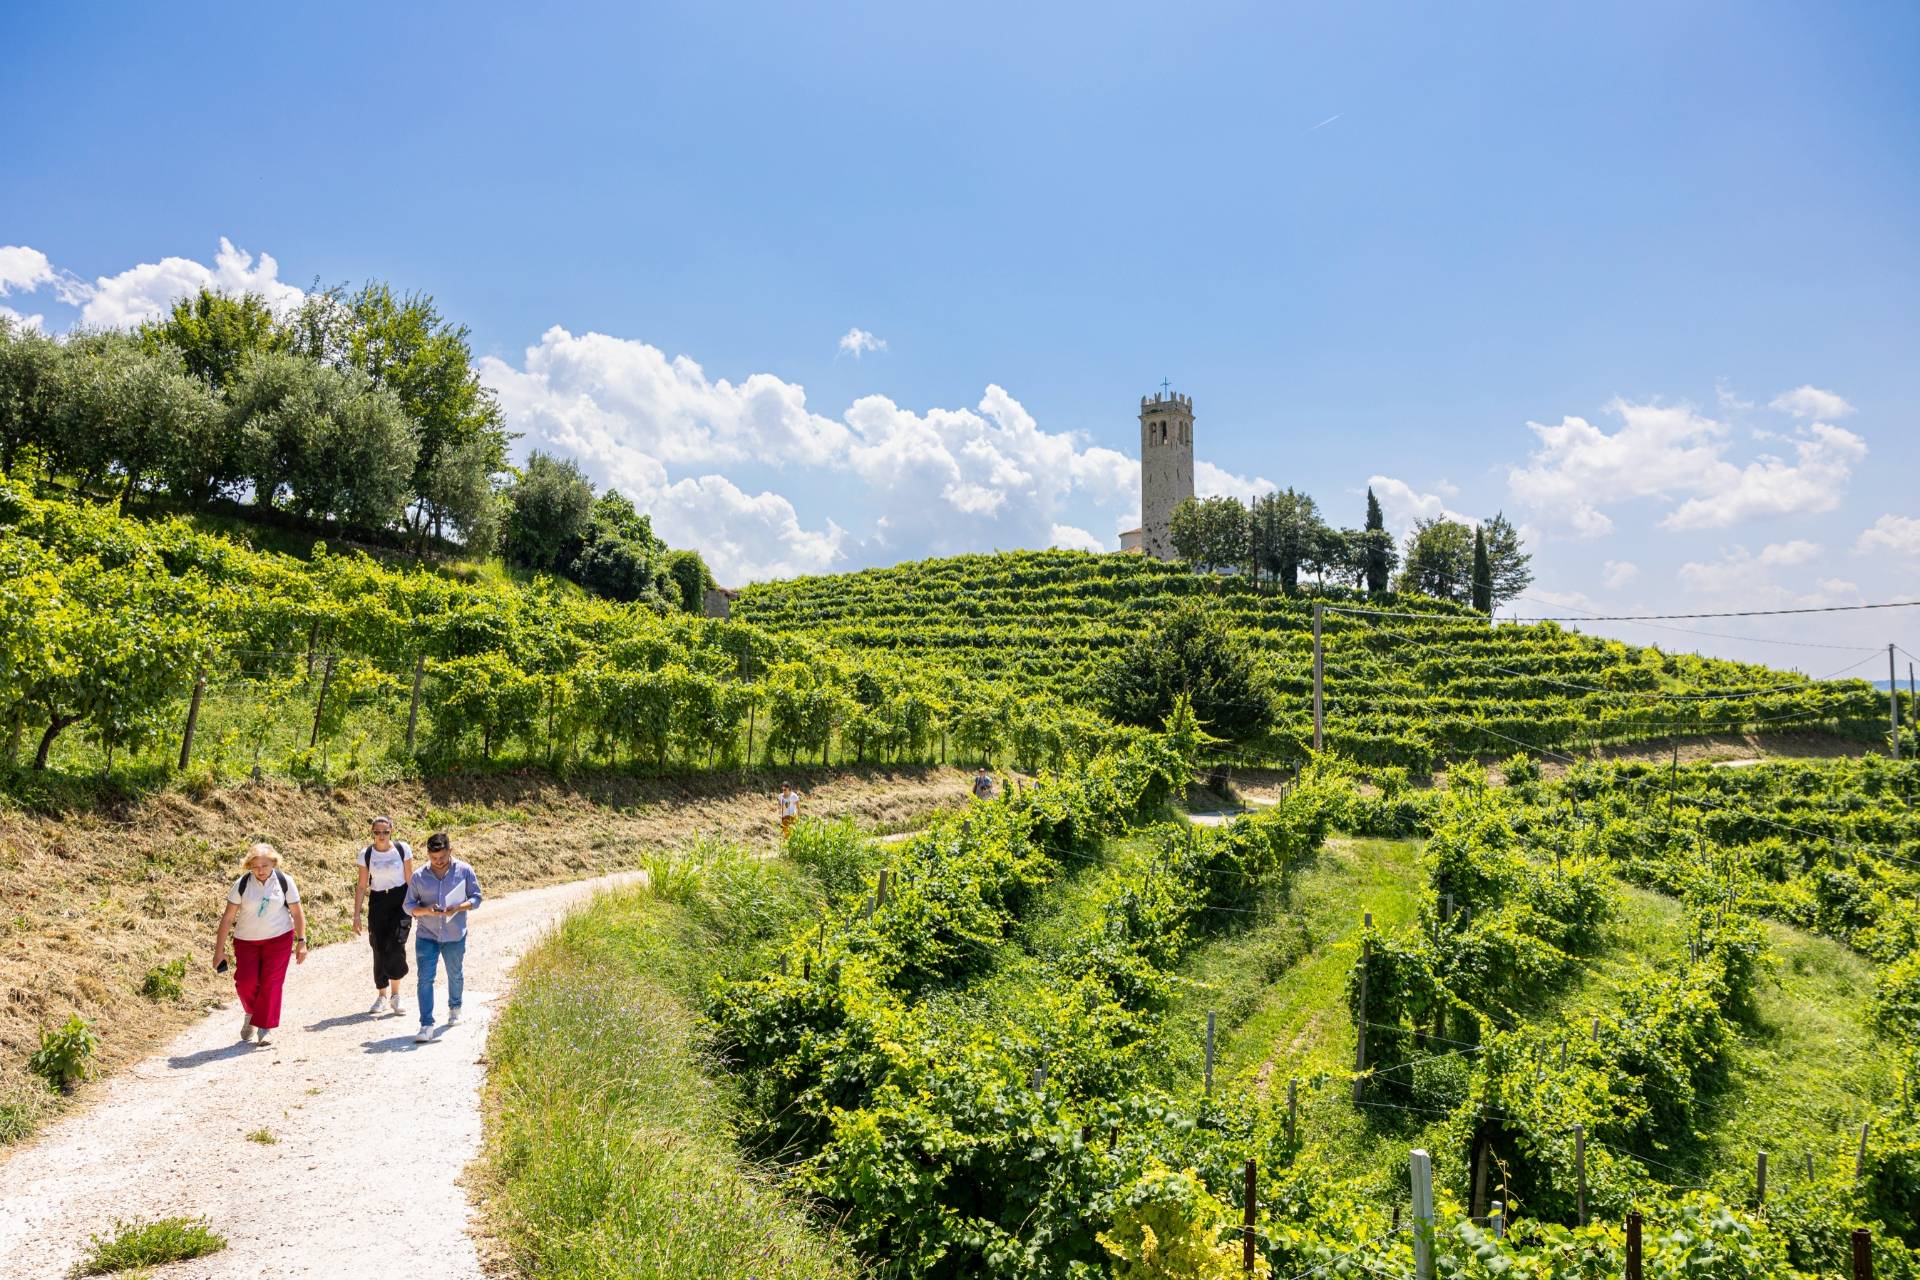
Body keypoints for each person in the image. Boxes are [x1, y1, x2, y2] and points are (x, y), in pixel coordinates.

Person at [211, 843, 308, 1047]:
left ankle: (265, 1028)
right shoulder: (242, 884)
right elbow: (227, 918)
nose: (261, 870)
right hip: (246, 941)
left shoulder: (284, 881)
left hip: (279, 938)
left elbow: (297, 913)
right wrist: (219, 951)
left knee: (271, 983)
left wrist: (301, 941)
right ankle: (251, 1012)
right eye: (255, 866)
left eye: (265, 865)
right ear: (249, 866)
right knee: (246, 982)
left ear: (273, 863)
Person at [404, 831, 482, 1044]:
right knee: (424, 979)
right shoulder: (419, 876)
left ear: (450, 851)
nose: (438, 862)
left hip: (454, 934)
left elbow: (477, 898)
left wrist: (459, 907)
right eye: (434, 858)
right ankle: (426, 1024)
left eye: (442, 858)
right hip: (426, 935)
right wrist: (426, 910)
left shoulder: (465, 870)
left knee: (454, 974)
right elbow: (408, 905)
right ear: (428, 854)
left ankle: (455, 1007)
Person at [352, 816, 414, 1016]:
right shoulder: (367, 854)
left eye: (385, 832)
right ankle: (382, 995)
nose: (381, 836)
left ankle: (396, 995)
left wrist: (416, 905)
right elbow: (362, 886)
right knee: (378, 946)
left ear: (391, 831)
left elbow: (410, 879)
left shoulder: (402, 849)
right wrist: (356, 915)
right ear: (372, 833)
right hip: (378, 901)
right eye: (377, 832)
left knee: (396, 943)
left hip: (400, 900)